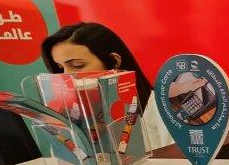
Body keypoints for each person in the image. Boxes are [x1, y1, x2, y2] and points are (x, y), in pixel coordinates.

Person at [40, 22, 172, 152]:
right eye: (60, 68)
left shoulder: (161, 108)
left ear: (114, 61)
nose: (66, 76)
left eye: (77, 65)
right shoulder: (72, 115)